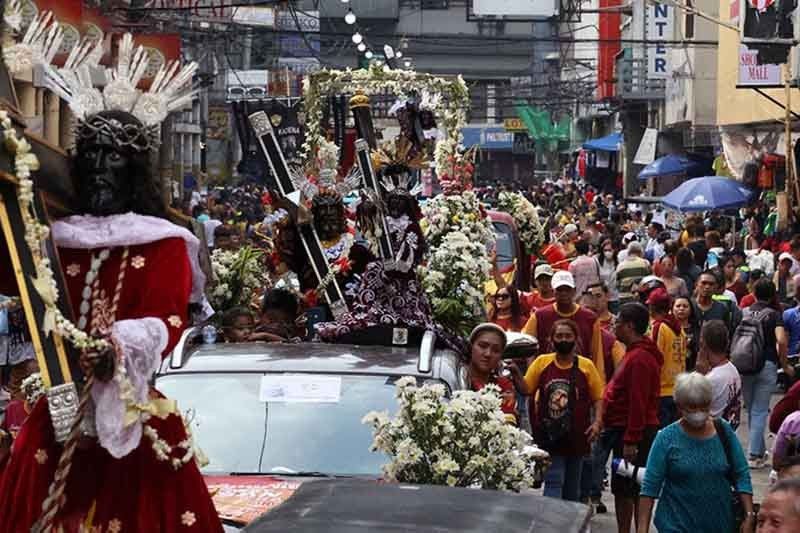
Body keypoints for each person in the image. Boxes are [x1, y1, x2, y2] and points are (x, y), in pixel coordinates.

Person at [0, 108, 222, 531]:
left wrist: (116, 349)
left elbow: (166, 321)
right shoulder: (52, 239)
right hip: (59, 412)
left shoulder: (165, 243)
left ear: (135, 169)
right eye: (91, 154)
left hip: (134, 423)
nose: (100, 168)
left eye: (114, 156)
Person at [636, 373, 754, 533]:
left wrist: (749, 515)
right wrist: (642, 529)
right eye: (692, 407)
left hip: (720, 524)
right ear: (679, 406)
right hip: (675, 525)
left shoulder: (723, 431)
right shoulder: (666, 438)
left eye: (704, 406)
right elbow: (650, 488)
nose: (699, 412)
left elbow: (741, 473)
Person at [519, 319, 604, 501]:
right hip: (550, 436)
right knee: (554, 480)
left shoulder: (586, 366)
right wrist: (514, 373)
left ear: (576, 339)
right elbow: (526, 389)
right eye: (559, 336)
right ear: (551, 339)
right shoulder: (542, 362)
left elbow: (598, 398)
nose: (563, 339)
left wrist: (597, 423)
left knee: (572, 487)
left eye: (568, 336)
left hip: (577, 435)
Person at [601, 303, 662, 533]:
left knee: (629, 488)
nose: (614, 327)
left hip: (634, 434)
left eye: (617, 323)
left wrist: (631, 440)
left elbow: (638, 402)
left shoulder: (639, 359)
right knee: (627, 487)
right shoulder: (635, 353)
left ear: (629, 326)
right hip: (628, 431)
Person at [742, 278, 791, 469]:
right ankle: (754, 455)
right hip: (767, 364)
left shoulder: (744, 312)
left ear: (754, 293)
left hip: (745, 364)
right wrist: (785, 365)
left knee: (752, 409)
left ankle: (759, 452)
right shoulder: (774, 314)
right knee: (760, 410)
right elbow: (781, 340)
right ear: (772, 295)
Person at [523, 271, 605, 381]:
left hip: (579, 378)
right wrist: (534, 375)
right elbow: (528, 347)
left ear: (574, 291)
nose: (564, 293)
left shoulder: (590, 318)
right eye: (560, 290)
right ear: (553, 291)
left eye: (567, 290)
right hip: (547, 378)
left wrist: (599, 382)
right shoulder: (539, 316)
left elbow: (597, 355)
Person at [648, 288, 687, 428]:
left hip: (662, 390)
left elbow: (655, 358)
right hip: (677, 388)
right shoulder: (679, 328)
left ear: (652, 307)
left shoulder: (659, 327)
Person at [467, 323, 517, 424]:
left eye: (496, 350)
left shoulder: (503, 386)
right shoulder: (454, 377)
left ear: (501, 356)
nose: (488, 354)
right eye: (482, 346)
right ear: (471, 346)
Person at [696, 320, 742, 428]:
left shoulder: (710, 379)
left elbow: (690, 410)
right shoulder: (732, 369)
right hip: (728, 434)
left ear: (703, 344)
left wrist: (699, 375)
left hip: (712, 437)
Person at [569, 239, 601, 304]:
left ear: (576, 250)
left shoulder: (573, 264)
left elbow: (571, 283)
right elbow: (598, 276)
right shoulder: (595, 261)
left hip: (579, 297)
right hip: (594, 295)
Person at [673, 295, 699, 370]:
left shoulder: (696, 329)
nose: (681, 309)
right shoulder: (667, 328)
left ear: (691, 310)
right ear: (671, 309)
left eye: (685, 306)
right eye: (678, 306)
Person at [596, 239, 620, 313]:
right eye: (605, 250)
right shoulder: (598, 262)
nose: (607, 252)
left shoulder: (619, 261)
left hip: (615, 297)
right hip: (603, 298)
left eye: (610, 250)